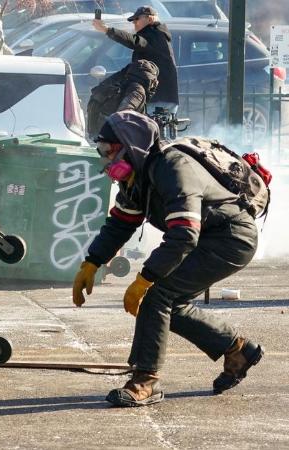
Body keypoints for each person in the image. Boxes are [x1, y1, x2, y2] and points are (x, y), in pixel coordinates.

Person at [72, 110, 263, 407]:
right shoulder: (137, 175)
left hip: (230, 239)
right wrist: (92, 261)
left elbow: (184, 234)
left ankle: (145, 381)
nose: (106, 160)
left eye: (108, 151)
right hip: (209, 237)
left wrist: (145, 277)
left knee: (156, 295)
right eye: (102, 152)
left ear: (130, 145)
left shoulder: (173, 168)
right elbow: (121, 222)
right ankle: (237, 349)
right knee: (169, 303)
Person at [93, 6, 179, 114]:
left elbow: (134, 41)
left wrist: (107, 30)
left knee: (144, 129)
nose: (134, 23)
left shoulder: (155, 35)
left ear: (150, 19)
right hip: (161, 98)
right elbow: (134, 67)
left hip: (158, 100)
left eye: (137, 19)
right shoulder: (156, 35)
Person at [87, 59, 159, 141]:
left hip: (99, 135)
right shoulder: (138, 90)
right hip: (114, 140)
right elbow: (123, 114)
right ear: (151, 80)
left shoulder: (117, 82)